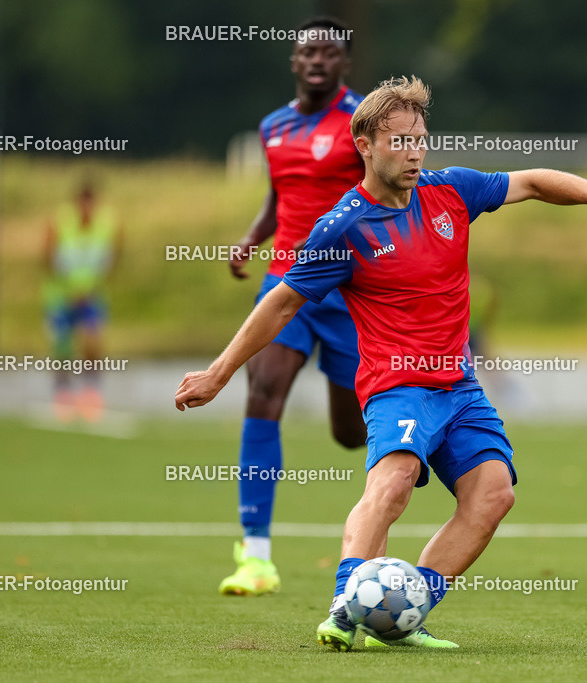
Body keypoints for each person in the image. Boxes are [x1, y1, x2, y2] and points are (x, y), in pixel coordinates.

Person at [175, 76, 587, 649]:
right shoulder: (343, 227)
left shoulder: (451, 192)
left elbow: (531, 181)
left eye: (421, 137)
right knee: (392, 485)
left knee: (494, 495)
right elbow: (281, 303)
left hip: (460, 387)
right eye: (400, 140)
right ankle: (346, 612)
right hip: (397, 385)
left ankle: (401, 612)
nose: (415, 150)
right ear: (366, 145)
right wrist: (218, 374)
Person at [218, 16, 367, 597]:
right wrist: (255, 236)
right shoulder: (272, 126)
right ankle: (255, 555)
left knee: (350, 433)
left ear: (345, 64)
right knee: (262, 391)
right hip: (286, 282)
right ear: (294, 60)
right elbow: (282, 192)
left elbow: (388, 189)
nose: (317, 60)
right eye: (307, 51)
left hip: (350, 288)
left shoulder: (363, 124)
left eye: (329, 53)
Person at [43, 181, 122, 422]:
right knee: (62, 344)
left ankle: (90, 392)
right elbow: (47, 257)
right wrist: (70, 289)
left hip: (92, 295)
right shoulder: (61, 222)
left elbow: (113, 257)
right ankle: (63, 393)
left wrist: (92, 289)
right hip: (61, 295)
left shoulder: (106, 224)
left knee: (92, 339)